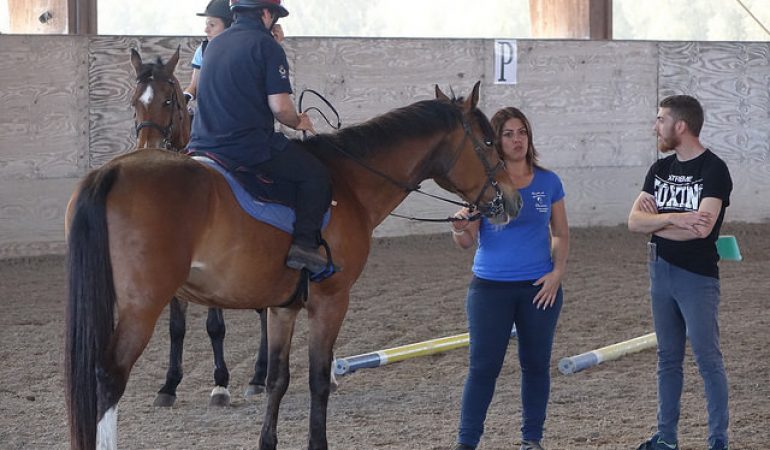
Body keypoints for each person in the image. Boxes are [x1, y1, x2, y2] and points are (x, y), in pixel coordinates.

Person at [449, 107, 569, 450]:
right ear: (496, 142)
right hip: (489, 289)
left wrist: (556, 273)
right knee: (483, 368)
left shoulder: (549, 182)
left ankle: (531, 440)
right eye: (509, 134)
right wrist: (458, 229)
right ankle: (466, 443)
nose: (517, 140)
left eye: (522, 133)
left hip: (539, 289)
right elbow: (466, 240)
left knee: (535, 366)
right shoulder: (483, 184)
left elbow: (560, 233)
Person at [187, 0, 331, 273]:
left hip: (200, 146)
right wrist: (298, 121)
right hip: (246, 148)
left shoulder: (214, 44)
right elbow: (280, 108)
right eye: (274, 16)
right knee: (316, 176)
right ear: (266, 13)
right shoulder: (267, 47)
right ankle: (304, 246)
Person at [628, 95, 732, 450]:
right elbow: (633, 221)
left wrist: (655, 222)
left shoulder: (713, 169)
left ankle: (718, 439)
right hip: (660, 271)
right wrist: (672, 219)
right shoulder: (659, 170)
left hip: (697, 276)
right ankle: (666, 438)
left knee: (707, 358)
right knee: (668, 358)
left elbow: (701, 229)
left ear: (680, 125)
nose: (655, 126)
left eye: (660, 119)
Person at [184, 0, 284, 104]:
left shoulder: (253, 48)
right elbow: (194, 86)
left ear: (230, 26)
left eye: (212, 25)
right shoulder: (203, 50)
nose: (206, 30)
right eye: (207, 24)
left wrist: (273, 46)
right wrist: (183, 98)